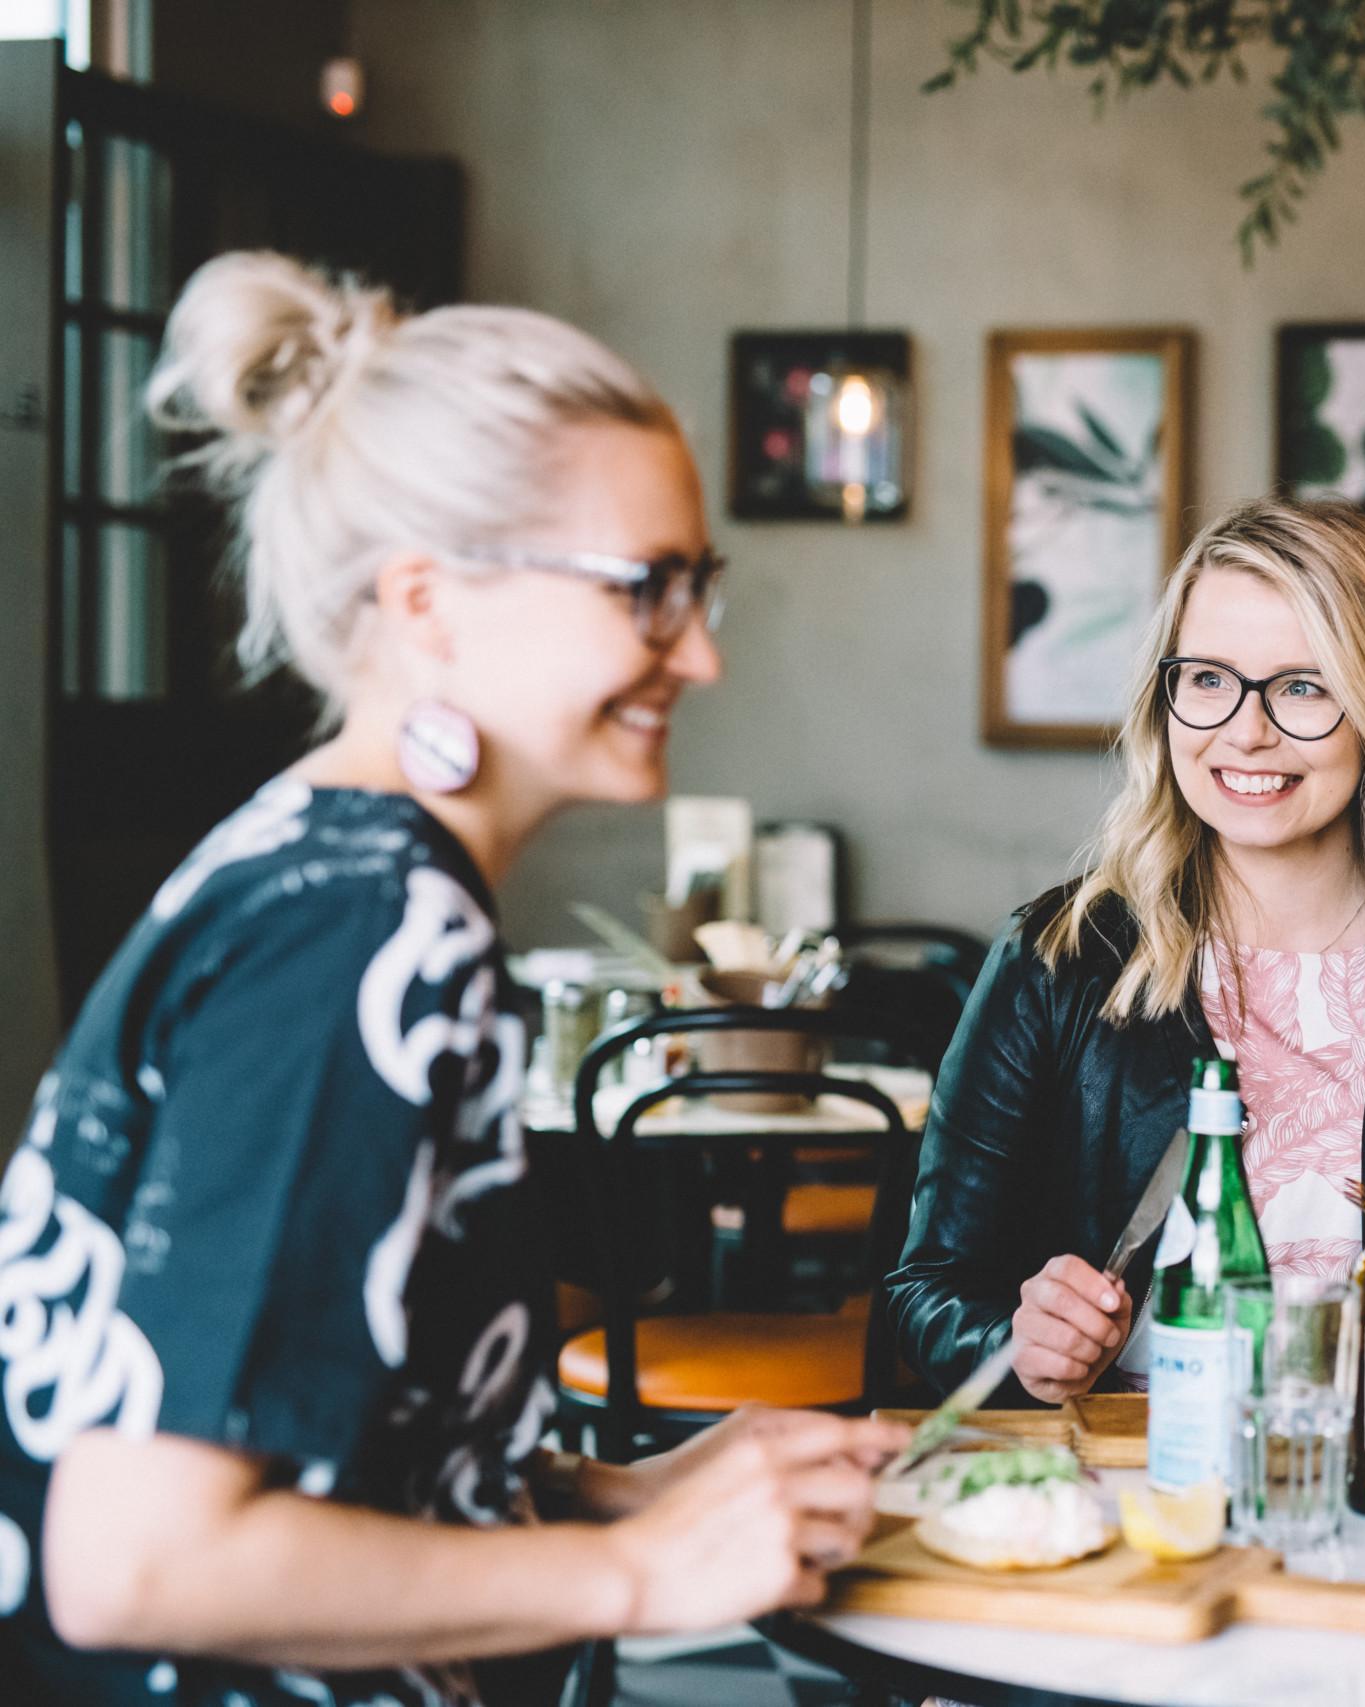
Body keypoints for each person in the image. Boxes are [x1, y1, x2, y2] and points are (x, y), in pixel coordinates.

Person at [0, 252, 903, 1707]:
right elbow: (138, 1560)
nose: (705, 653)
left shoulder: (325, 863)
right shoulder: (368, 923)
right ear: (427, 599)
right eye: (649, 590)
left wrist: (635, 1489)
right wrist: (646, 1574)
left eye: (701, 585)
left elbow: (327, 1442)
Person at [887, 497, 1365, 1405]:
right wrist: (1016, 1343)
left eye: (1302, 686)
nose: (1245, 730)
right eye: (1209, 678)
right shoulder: (1056, 959)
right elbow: (928, 1287)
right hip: (1130, 1498)